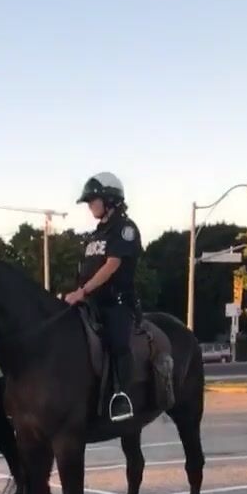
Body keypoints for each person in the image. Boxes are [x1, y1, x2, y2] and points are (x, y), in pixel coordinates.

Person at [65, 172, 143, 422]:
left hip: (115, 303)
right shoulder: (96, 234)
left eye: (93, 200)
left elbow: (111, 266)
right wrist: (76, 292)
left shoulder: (125, 229)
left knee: (117, 344)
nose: (89, 205)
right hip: (89, 302)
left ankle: (121, 395)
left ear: (109, 200)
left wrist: (83, 291)